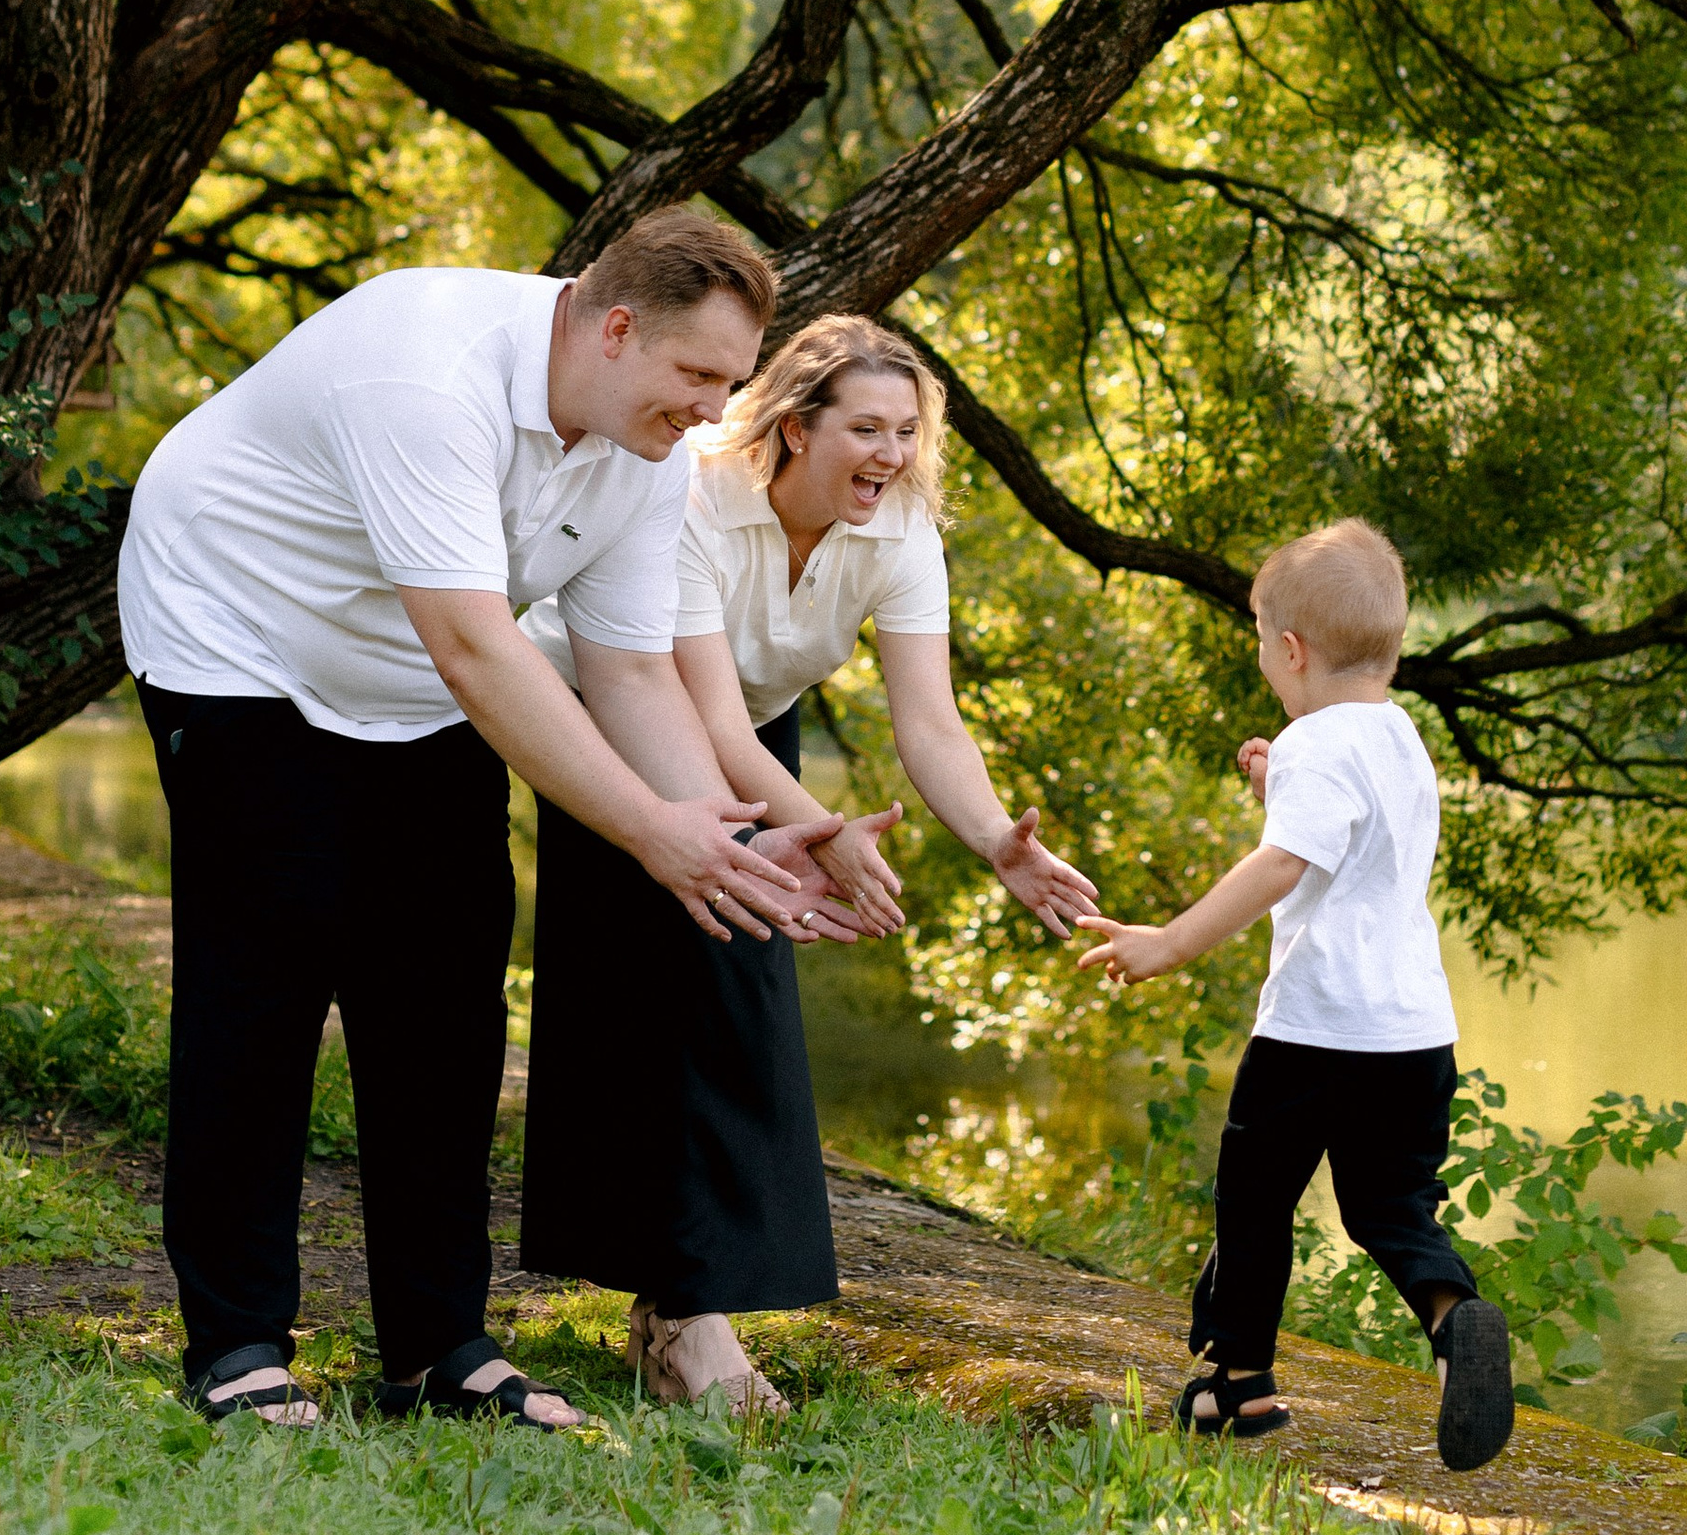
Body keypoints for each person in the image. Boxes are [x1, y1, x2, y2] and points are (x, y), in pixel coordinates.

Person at [117, 209, 846, 1432]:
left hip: (415, 675)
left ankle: (439, 1348)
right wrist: (647, 833)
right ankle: (239, 1343)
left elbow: (624, 673)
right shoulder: (425, 367)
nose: (716, 411)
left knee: (446, 996)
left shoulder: (642, 445)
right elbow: (474, 642)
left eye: (731, 379)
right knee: (267, 979)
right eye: (699, 375)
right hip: (240, 635)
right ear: (615, 326)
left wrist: (717, 829)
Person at [518, 310, 1097, 1409]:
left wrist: (992, 842)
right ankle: (685, 1314)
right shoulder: (691, 490)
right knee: (656, 987)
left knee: (732, 977)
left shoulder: (900, 527)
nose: (891, 453)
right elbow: (710, 730)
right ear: (792, 427)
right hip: (609, 707)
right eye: (868, 427)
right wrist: (820, 832)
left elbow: (929, 721)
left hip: (747, 726)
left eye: (907, 431)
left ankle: (680, 1306)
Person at [1072, 516, 1514, 1474]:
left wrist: (1170, 942)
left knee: (1257, 1205)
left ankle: (1241, 1386)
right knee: (1393, 1208)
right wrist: (1282, 779)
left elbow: (1284, 865)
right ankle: (1453, 1318)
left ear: (1289, 648)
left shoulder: (1317, 745)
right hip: (1413, 1037)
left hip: (1316, 1034)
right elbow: (1345, 841)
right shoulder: (1399, 740)